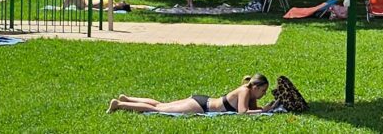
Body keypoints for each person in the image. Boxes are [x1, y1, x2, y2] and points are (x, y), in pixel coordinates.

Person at [109, 74, 269, 115]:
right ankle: (120, 104)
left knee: (160, 104)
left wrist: (265, 108)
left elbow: (252, 110)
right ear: (255, 87)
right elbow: (243, 112)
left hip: (202, 101)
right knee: (158, 110)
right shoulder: (245, 90)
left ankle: (127, 98)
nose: (264, 93)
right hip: (201, 106)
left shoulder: (249, 94)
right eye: (263, 90)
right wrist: (264, 111)